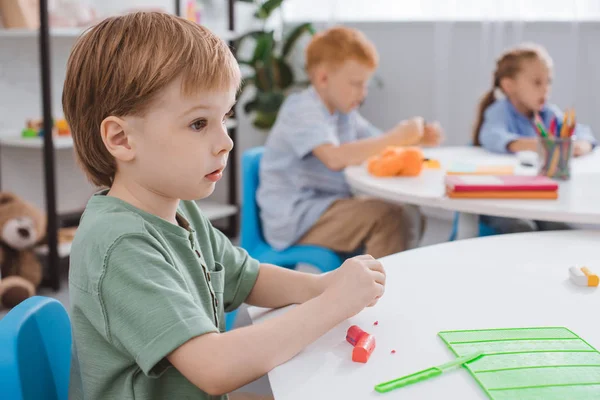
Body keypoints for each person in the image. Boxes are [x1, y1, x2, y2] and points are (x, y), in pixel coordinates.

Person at [64, 12, 386, 400]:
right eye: (199, 123)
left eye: (225, 118)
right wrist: (332, 304)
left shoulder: (181, 212)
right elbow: (215, 367)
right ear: (121, 139)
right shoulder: (118, 245)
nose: (226, 142)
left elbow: (247, 278)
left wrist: (320, 285)